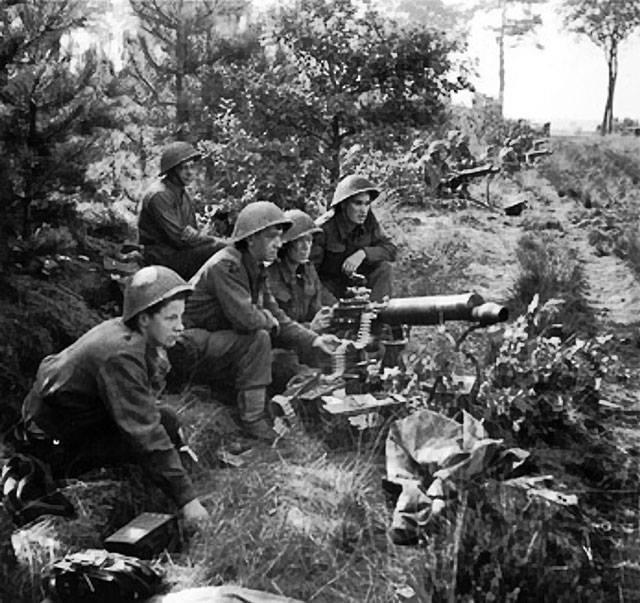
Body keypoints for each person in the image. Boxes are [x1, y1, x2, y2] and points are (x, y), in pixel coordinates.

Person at [18, 266, 209, 523]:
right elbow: (145, 433)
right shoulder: (121, 355)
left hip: (73, 420)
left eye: (181, 317)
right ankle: (76, 476)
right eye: (171, 318)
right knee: (159, 429)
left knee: (168, 420)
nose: (180, 327)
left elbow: (148, 402)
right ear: (144, 319)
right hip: (55, 442)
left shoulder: (129, 332)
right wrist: (188, 501)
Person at [171, 201, 340, 442]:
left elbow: (276, 315)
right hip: (183, 344)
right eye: (272, 237)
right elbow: (248, 319)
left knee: (263, 336)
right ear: (251, 240)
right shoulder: (226, 265)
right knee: (258, 337)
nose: (279, 243)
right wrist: (269, 321)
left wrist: (315, 340)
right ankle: (252, 419)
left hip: (210, 341)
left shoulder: (254, 267)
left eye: (280, 237)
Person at [138, 141, 225, 280]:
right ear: (172, 171)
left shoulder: (183, 194)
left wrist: (199, 237)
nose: (190, 172)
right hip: (162, 257)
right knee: (221, 249)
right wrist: (218, 242)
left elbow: (191, 233)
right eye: (183, 168)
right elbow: (180, 238)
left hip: (179, 253)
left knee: (226, 251)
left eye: (191, 167)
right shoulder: (160, 195)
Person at [311, 175, 397, 304]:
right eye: (358, 203)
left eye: (367, 204)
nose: (363, 210)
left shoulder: (369, 221)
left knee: (384, 268)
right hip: (328, 288)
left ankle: (377, 317)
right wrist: (333, 305)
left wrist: (363, 253)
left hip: (357, 284)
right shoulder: (323, 229)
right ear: (344, 204)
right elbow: (309, 275)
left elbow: (391, 249)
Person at [267, 209, 331, 331]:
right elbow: (274, 327)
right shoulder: (270, 276)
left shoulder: (308, 271)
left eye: (309, 240)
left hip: (307, 338)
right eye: (299, 240)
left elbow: (316, 310)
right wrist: (310, 327)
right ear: (286, 244)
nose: (305, 247)